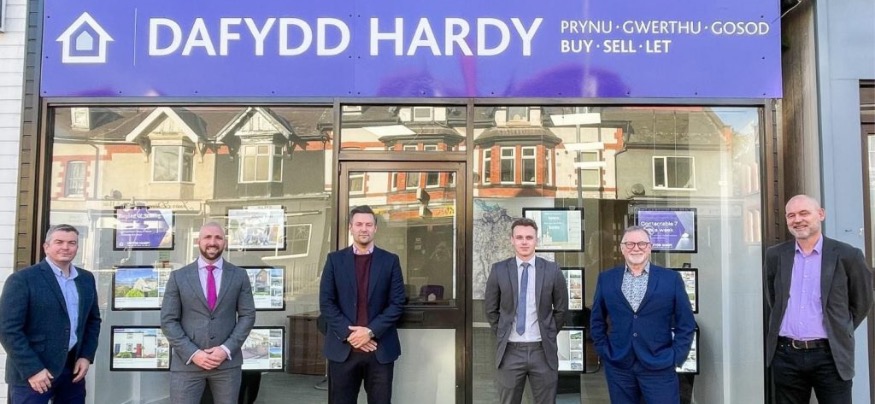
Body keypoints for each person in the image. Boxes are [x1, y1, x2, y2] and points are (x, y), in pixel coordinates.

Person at [765, 194, 873, 404]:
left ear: (821, 214)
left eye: (804, 213)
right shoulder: (775, 255)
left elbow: (862, 302)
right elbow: (774, 300)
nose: (797, 219)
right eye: (791, 215)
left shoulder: (848, 255)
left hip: (831, 356)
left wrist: (839, 328)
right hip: (786, 355)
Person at [590, 225, 696, 404]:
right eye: (630, 244)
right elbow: (596, 320)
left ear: (650, 247)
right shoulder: (606, 279)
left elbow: (686, 323)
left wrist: (676, 356)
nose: (636, 248)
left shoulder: (671, 279)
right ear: (622, 248)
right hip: (619, 366)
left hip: (659, 365)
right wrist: (604, 350)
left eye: (641, 244)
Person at [0, 224, 101, 404]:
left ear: (77, 247)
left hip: (72, 371)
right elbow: (7, 329)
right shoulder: (22, 279)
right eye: (59, 242)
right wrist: (33, 369)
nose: (65, 247)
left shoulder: (85, 279)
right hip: (33, 373)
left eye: (71, 243)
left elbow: (93, 320)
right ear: (46, 247)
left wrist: (86, 356)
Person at [161, 222, 256, 404]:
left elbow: (247, 316)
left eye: (218, 237)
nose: (213, 242)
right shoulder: (179, 277)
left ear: (224, 243)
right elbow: (168, 321)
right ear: (198, 241)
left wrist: (225, 349)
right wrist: (194, 353)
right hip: (187, 364)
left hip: (226, 365)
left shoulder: (239, 275)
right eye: (207, 237)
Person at [319, 205, 406, 404]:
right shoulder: (334, 260)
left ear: (375, 228)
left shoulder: (390, 261)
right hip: (343, 350)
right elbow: (326, 303)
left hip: (380, 350)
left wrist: (370, 332)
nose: (364, 229)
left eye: (368, 224)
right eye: (359, 224)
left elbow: (397, 303)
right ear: (351, 227)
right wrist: (351, 335)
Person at [484, 217, 568, 404]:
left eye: (529, 237)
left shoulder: (552, 270)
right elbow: (491, 309)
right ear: (512, 240)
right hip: (510, 351)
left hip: (542, 351)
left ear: (536, 240)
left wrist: (548, 332)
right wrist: (503, 332)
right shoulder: (498, 270)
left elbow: (561, 310)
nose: (524, 242)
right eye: (519, 237)